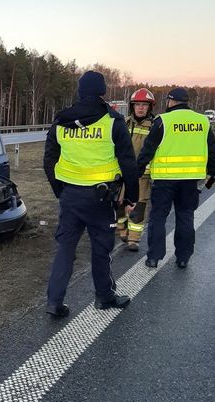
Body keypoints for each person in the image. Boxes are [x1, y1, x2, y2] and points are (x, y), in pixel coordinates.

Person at [43, 71, 139, 317]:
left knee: (64, 249)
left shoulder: (61, 122)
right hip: (100, 198)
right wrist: (131, 197)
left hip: (70, 197)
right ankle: (104, 297)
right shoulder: (113, 121)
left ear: (79, 91)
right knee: (101, 249)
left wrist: (59, 190)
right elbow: (128, 162)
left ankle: (54, 302)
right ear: (102, 91)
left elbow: (49, 160)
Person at [137, 87, 215, 268]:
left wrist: (136, 171)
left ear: (171, 101)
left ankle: (154, 257)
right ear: (186, 102)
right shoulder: (202, 121)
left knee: (158, 217)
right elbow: (212, 150)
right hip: (190, 181)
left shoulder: (162, 121)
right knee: (185, 217)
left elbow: (147, 150)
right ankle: (183, 257)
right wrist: (212, 172)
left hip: (164, 180)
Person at [116, 88, 156, 251]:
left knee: (138, 207)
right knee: (120, 204)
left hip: (143, 176)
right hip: (123, 173)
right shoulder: (123, 124)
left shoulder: (155, 126)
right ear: (132, 106)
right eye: (138, 104)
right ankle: (122, 231)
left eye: (144, 105)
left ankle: (134, 239)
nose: (141, 108)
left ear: (149, 107)